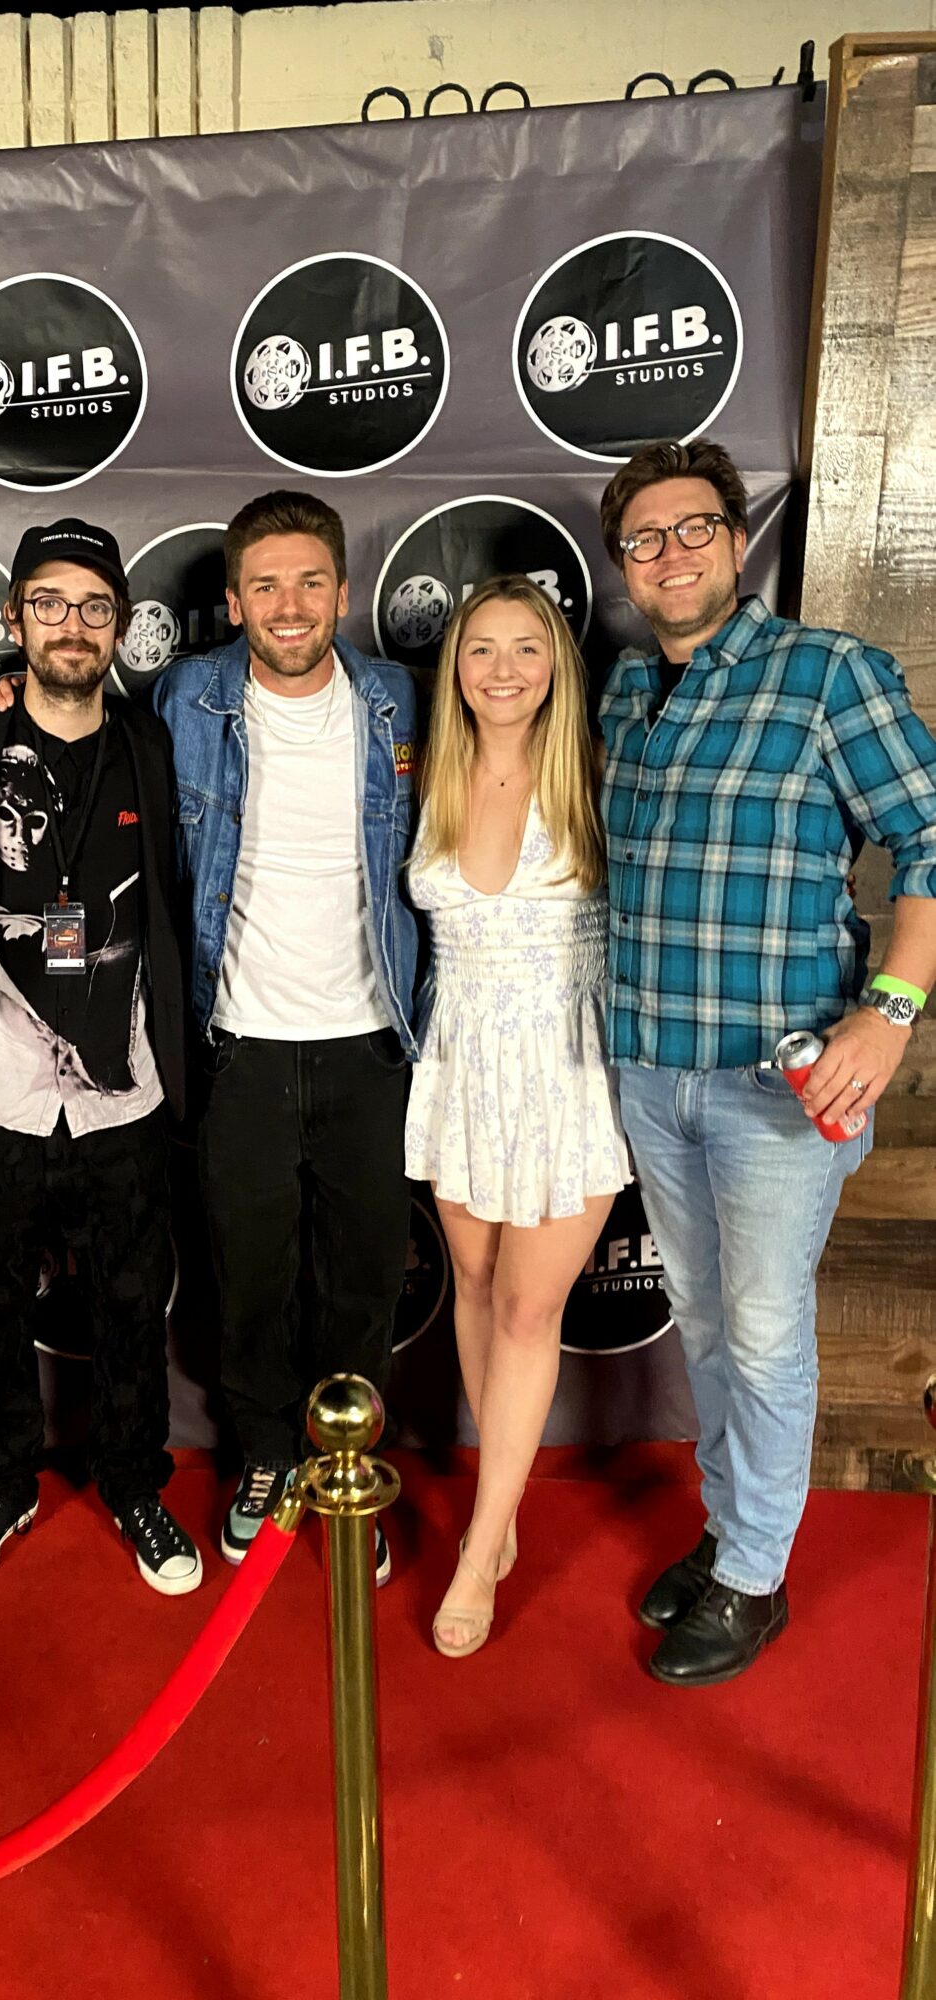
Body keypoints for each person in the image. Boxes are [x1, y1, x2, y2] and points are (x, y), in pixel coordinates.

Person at [598, 438, 936, 1685]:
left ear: (738, 544)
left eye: (694, 530)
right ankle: (735, 1529)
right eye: (645, 538)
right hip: (650, 1067)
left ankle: (753, 1574)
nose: (671, 553)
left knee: (763, 1324)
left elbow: (933, 837)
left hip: (779, 1083)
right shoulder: (627, 693)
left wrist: (891, 1007)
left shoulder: (826, 673)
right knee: (702, 1317)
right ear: (624, 563)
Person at [0, 519, 198, 1596]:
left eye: (93, 606)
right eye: (49, 602)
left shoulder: (151, 745)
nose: (72, 625)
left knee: (132, 1296)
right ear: (13, 619)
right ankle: (1, 1480)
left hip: (123, 1081)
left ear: (121, 625)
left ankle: (134, 1478)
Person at [154, 491, 421, 1580]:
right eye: (265, 584)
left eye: (311, 580)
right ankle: (265, 1454)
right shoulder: (186, 696)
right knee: (250, 1277)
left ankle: (341, 1459)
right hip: (240, 1044)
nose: (290, 603)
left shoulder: (400, 700)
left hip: (371, 1041)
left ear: (345, 591)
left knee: (363, 1280)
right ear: (232, 601)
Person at [404, 576, 631, 1656]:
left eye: (526, 648)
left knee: (531, 1311)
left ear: (558, 664)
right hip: (461, 1068)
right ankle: (492, 1519)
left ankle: (482, 1546)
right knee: (479, 1286)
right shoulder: (431, 774)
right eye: (481, 648)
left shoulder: (599, 766)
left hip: (569, 1069)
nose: (502, 669)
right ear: (455, 666)